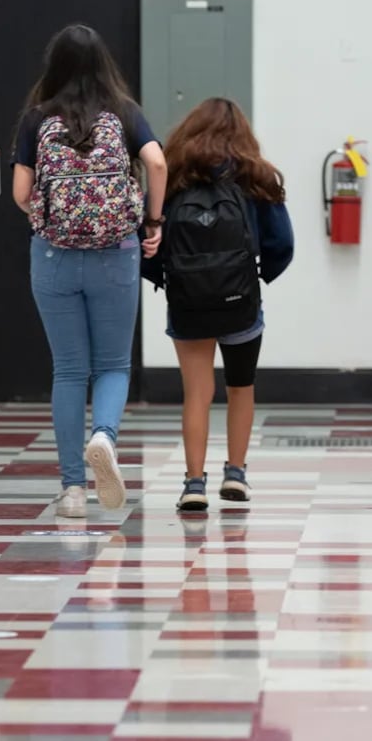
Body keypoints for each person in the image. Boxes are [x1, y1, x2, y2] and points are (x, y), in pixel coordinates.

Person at [11, 24, 167, 518]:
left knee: (69, 370)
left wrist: (54, 219)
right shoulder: (124, 113)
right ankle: (104, 435)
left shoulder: (37, 119)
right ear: (104, 64)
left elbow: (19, 192)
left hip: (54, 256)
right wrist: (152, 221)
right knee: (114, 365)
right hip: (116, 252)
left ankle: (74, 490)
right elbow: (158, 164)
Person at [141, 98, 295, 512]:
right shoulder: (255, 176)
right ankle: (236, 475)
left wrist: (165, 280)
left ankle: (194, 483)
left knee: (197, 392)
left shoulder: (171, 177)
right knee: (240, 387)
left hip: (188, 302)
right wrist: (258, 276)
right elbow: (283, 243)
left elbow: (147, 242)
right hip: (240, 299)